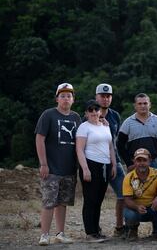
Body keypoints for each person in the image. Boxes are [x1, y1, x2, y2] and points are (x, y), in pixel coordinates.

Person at [35, 83, 81, 246]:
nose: (66, 98)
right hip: (52, 167)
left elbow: (81, 141)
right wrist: (43, 163)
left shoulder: (76, 117)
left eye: (69, 96)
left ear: (73, 99)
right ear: (57, 99)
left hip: (69, 168)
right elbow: (40, 139)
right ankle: (44, 235)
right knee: (49, 201)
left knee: (62, 202)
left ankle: (60, 233)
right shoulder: (48, 115)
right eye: (62, 96)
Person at [76, 100, 117, 242]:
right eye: (90, 110)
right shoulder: (84, 127)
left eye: (96, 110)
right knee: (90, 199)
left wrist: (114, 164)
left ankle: (97, 230)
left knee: (99, 200)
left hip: (105, 166)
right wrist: (85, 168)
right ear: (86, 113)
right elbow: (79, 149)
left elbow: (110, 146)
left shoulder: (106, 126)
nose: (94, 112)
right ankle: (90, 233)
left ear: (100, 111)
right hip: (90, 164)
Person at [95, 83, 126, 236]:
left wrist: (117, 162)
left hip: (115, 161)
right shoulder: (89, 115)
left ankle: (119, 228)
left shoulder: (115, 116)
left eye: (108, 96)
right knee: (96, 197)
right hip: (96, 162)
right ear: (96, 97)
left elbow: (116, 140)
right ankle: (95, 228)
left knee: (124, 193)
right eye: (102, 96)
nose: (105, 99)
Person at [123, 148, 157, 241]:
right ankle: (132, 231)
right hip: (136, 210)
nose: (141, 163)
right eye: (138, 160)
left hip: (153, 208)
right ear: (134, 161)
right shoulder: (128, 177)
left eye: (144, 160)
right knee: (129, 212)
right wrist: (137, 207)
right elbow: (127, 199)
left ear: (150, 161)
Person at [117, 93, 157, 170]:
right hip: (135, 163)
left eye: (145, 103)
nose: (143, 106)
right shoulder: (128, 122)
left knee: (155, 182)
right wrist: (128, 162)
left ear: (150, 105)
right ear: (135, 106)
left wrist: (155, 151)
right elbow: (120, 144)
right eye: (140, 103)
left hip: (153, 162)